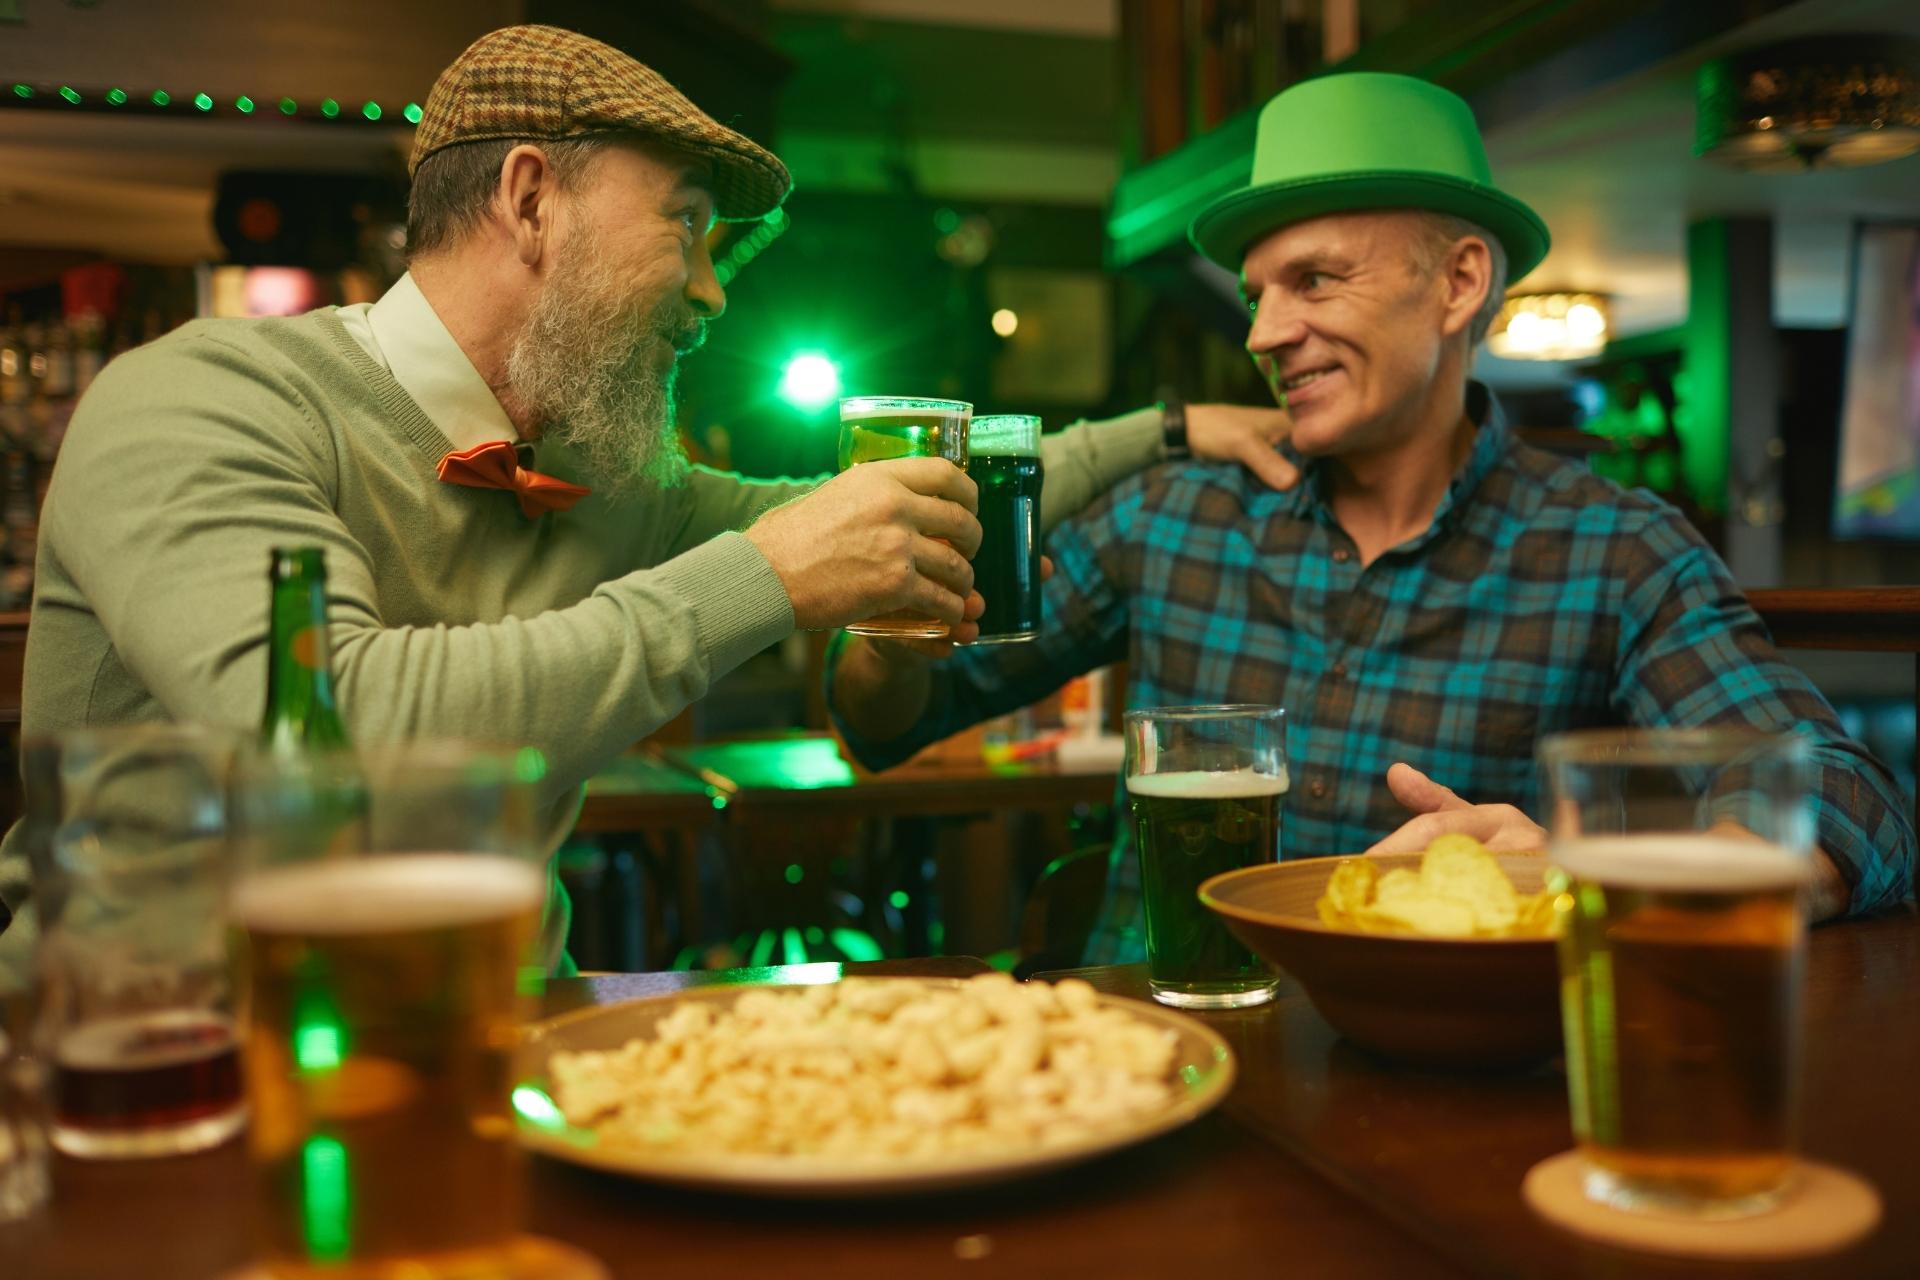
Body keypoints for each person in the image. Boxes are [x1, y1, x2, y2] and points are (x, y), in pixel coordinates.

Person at [0, 25, 1292, 979]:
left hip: (501, 1046)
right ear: (528, 201)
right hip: (162, 1083)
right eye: (685, 229)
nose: (713, 294)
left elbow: (897, 508)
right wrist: (766, 577)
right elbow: (342, 752)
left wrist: (1165, 426)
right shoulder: (200, 402)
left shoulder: (607, 482)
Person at [830, 71, 1916, 962]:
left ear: (1458, 284)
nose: (1262, 331)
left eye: (1312, 280)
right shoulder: (1170, 515)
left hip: (1435, 1100)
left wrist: (1588, 876)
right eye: (1256, 292)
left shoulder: (1611, 549)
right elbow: (890, 723)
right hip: (1152, 1064)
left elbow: (1847, 796)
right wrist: (892, 613)